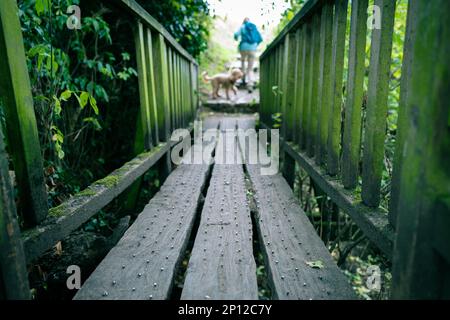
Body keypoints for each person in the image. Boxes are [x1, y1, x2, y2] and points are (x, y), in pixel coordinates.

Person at [234, 18, 263, 90]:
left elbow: (236, 34)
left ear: (243, 22)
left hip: (243, 48)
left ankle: (242, 79)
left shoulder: (242, 27)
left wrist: (236, 39)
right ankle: (250, 85)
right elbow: (260, 38)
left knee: (243, 63)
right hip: (253, 49)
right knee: (250, 68)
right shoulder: (254, 27)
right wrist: (255, 45)